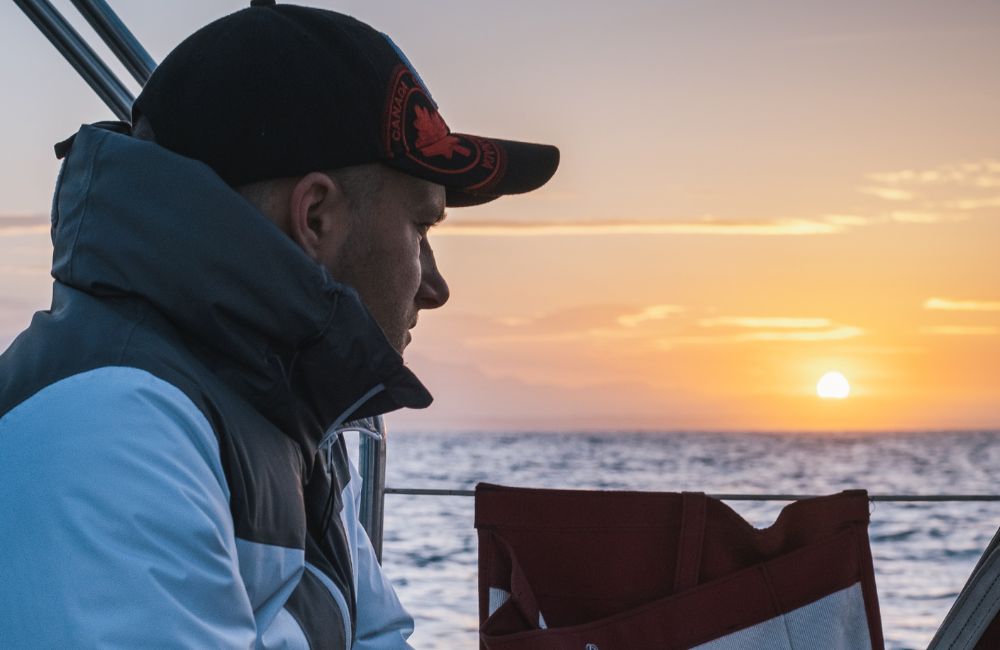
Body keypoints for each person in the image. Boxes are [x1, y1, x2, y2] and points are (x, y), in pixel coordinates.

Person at [0, 2, 558, 648]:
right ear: (316, 216)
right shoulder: (113, 423)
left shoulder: (288, 420)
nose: (435, 287)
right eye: (421, 228)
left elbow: (378, 638)